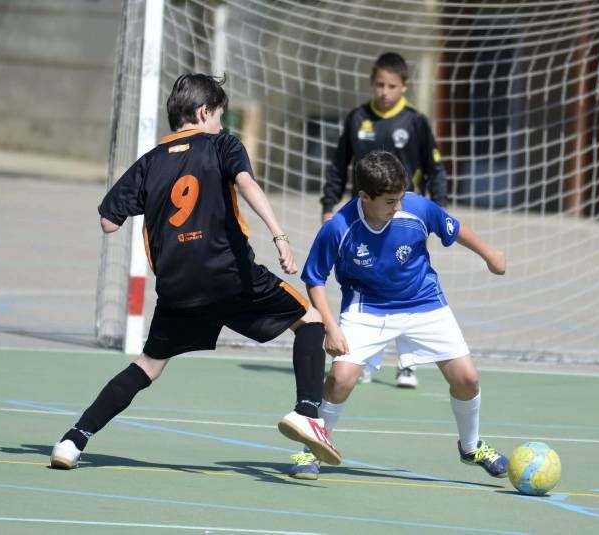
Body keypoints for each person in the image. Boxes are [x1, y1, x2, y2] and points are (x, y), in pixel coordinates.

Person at [50, 73, 340, 470]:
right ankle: (308, 414)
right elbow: (248, 185)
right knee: (310, 320)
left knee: (147, 367)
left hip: (178, 289)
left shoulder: (150, 162)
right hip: (230, 276)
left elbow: (108, 222)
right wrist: (280, 236)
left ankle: (72, 440)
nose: (221, 124)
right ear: (204, 112)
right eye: (219, 116)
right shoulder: (222, 145)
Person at [288, 150, 507, 480]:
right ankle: (313, 448)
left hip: (424, 302)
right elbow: (314, 278)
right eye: (390, 201)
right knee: (341, 379)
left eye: (400, 198)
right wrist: (330, 327)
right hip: (367, 309)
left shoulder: (416, 208)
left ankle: (471, 446)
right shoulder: (338, 228)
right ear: (365, 197)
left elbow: (454, 228)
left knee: (467, 379)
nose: (398, 207)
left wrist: (491, 255)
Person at [320, 51, 450, 388]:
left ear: (404, 86)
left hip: (403, 219)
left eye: (391, 85)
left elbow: (435, 168)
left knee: (407, 283)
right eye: (379, 84)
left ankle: (408, 363)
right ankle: (361, 356)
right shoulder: (357, 118)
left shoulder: (415, 122)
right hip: (362, 219)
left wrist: (440, 206)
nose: (384, 91)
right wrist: (328, 203)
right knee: (364, 279)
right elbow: (338, 165)